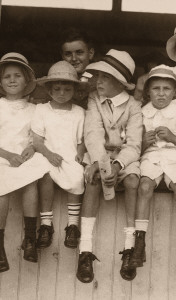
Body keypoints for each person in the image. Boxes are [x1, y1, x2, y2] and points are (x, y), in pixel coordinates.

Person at [76, 49, 142, 283]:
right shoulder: (94, 98)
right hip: (98, 155)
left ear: (119, 82)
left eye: (105, 77)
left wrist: (117, 165)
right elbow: (92, 132)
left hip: (125, 158)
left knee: (133, 181)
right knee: (93, 179)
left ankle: (129, 247)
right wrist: (100, 163)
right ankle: (85, 249)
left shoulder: (133, 105)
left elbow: (134, 145)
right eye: (98, 76)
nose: (98, 80)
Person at [129, 65, 176, 272]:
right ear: (147, 91)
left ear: (175, 92)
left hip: (175, 157)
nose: (160, 93)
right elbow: (132, 149)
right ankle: (139, 242)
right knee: (145, 186)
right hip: (150, 157)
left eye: (166, 89)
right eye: (156, 88)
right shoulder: (141, 113)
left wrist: (173, 138)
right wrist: (143, 142)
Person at [0, 53, 49, 269]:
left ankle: (29, 239)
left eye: (17, 76)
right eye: (6, 76)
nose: (12, 80)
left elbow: (35, 136)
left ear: (27, 80)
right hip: (2, 157)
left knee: (32, 181)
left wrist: (30, 149)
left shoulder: (35, 109)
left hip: (24, 158)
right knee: (1, 189)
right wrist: (8, 155)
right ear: (0, 82)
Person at [32, 61, 87, 250]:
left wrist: (80, 154)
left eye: (67, 89)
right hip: (47, 154)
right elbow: (37, 141)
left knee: (78, 176)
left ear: (75, 90)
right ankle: (46, 224)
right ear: (49, 90)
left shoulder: (80, 112)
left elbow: (81, 141)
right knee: (45, 175)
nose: (62, 93)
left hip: (69, 155)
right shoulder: (41, 110)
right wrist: (48, 154)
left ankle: (73, 224)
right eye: (57, 89)